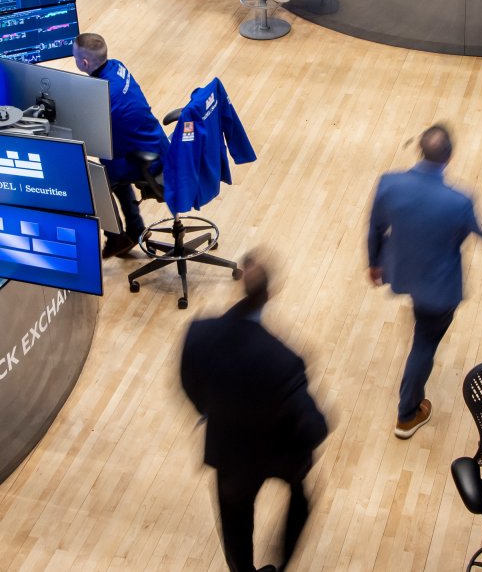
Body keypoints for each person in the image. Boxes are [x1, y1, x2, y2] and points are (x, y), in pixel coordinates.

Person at [180, 250, 328, 572]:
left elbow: (188, 383)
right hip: (278, 454)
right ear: (269, 293)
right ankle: (281, 564)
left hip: (229, 454)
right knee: (300, 499)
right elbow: (313, 428)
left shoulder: (199, 335)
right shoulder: (284, 361)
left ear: (239, 284)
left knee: (234, 522)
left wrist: (211, 410)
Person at [367, 125, 482, 439]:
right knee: (424, 343)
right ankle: (407, 415)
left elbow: (375, 228)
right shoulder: (459, 201)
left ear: (420, 151)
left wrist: (374, 263)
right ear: (449, 157)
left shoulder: (388, 183)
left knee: (421, 325)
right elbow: (477, 231)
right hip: (438, 287)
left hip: (403, 271)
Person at [71, 32, 167, 258]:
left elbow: (88, 138)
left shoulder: (101, 97)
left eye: (74, 57)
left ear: (84, 63)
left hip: (146, 159)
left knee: (91, 179)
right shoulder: (117, 66)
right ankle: (135, 229)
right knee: (108, 163)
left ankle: (115, 237)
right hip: (157, 144)